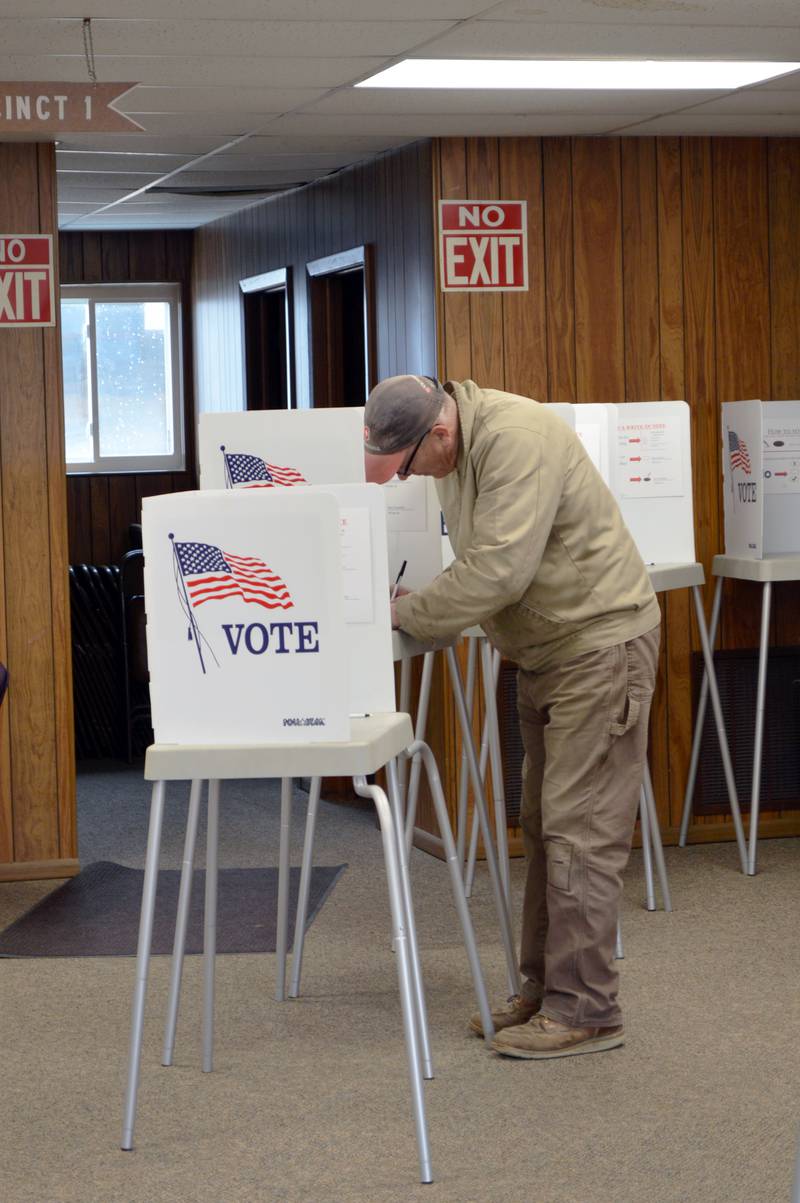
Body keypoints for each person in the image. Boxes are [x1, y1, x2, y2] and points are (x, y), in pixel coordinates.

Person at [363, 374, 661, 1061]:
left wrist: (408, 611)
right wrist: (422, 597)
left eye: (406, 468)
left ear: (438, 434)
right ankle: (545, 991)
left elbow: (499, 571)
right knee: (545, 822)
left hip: (597, 646)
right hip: (546, 651)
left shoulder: (515, 439)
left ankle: (587, 1007)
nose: (409, 481)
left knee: (579, 828)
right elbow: (486, 559)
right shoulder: (457, 446)